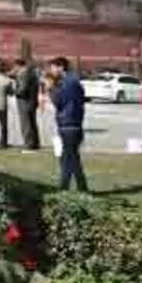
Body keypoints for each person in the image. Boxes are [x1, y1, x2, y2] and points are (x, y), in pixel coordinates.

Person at [47, 56, 88, 191]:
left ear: (61, 67)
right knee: (71, 158)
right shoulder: (74, 82)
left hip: (69, 124)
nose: (51, 71)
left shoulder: (67, 83)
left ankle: (64, 187)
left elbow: (59, 102)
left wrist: (51, 88)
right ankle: (81, 187)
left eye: (52, 67)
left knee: (68, 159)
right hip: (73, 123)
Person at [14, 57, 42, 152]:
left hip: (24, 101)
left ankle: (29, 143)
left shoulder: (23, 74)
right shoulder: (32, 73)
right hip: (32, 101)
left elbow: (23, 89)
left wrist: (15, 92)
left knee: (26, 123)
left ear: (18, 66)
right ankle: (35, 142)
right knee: (32, 123)